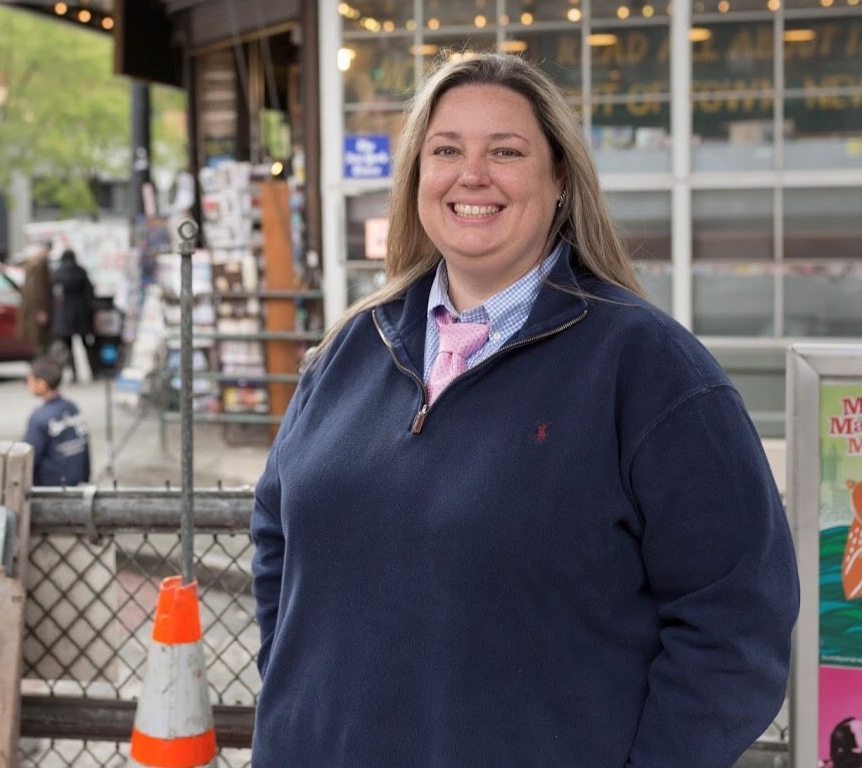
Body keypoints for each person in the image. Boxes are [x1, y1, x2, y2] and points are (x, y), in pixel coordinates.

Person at [249, 52, 800, 766]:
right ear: (418, 175)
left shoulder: (647, 370)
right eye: (445, 149)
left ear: (560, 178)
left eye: (505, 151)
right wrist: (298, 707)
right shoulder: (351, 348)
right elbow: (275, 536)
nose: (470, 174)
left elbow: (737, 624)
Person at [22, 355, 90, 486]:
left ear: (41, 384)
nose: (27, 385)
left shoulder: (39, 417)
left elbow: (29, 458)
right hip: (77, 483)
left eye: (29, 380)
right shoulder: (72, 407)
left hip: (50, 488)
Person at [50, 248, 94, 383]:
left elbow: (52, 290)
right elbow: (89, 290)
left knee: (67, 345)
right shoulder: (81, 271)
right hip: (81, 310)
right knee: (86, 343)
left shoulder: (58, 272)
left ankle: (73, 372)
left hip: (65, 312)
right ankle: (93, 370)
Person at [16, 241, 53, 355]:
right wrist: (42, 310)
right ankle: (42, 368)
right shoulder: (40, 266)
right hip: (39, 309)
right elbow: (40, 289)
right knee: (42, 342)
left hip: (31, 309)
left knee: (37, 342)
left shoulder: (30, 265)